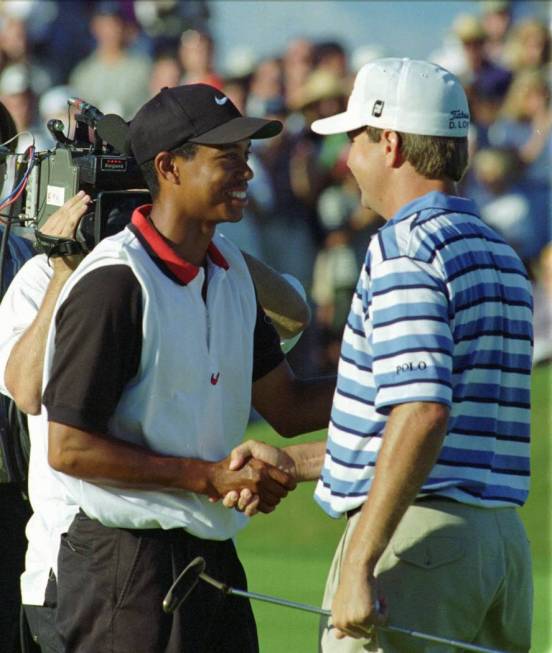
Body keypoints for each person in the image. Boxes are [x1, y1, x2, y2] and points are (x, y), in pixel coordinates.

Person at [229, 58, 534, 653]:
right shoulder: (499, 253)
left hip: (416, 545)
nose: (348, 159)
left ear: (389, 142)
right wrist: (294, 464)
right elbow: (425, 419)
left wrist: (360, 562)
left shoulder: (404, 250)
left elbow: (421, 414)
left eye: (355, 139)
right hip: (499, 547)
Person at [38, 84, 334, 652]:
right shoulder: (114, 281)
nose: (246, 172)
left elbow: (288, 407)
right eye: (227, 158)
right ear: (169, 167)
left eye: (246, 157)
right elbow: (68, 448)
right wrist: (210, 478)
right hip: (124, 569)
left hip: (209, 561)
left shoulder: (231, 274)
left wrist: (389, 382)